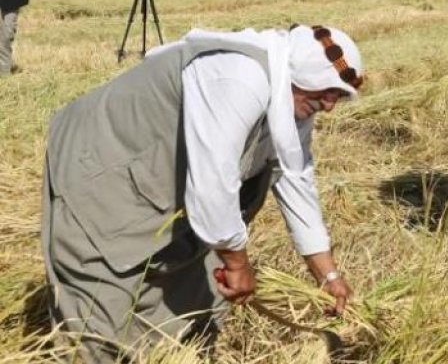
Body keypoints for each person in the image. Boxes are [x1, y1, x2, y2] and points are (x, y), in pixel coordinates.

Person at [41, 24, 365, 361]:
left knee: (192, 298)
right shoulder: (238, 76)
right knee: (99, 316)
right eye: (327, 91)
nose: (329, 105)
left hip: (165, 184)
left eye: (338, 97)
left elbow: (295, 178)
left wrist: (327, 275)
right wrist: (238, 263)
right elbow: (214, 181)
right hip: (101, 166)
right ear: (304, 74)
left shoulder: (295, 100)